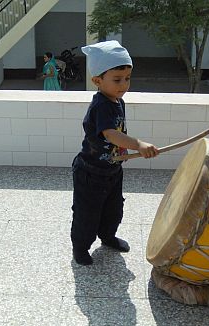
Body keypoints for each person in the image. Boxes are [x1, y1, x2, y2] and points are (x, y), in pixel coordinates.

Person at [70, 40, 159, 265]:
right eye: (117, 79)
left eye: (127, 78)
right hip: (90, 173)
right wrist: (138, 144)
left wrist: (123, 152)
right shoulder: (101, 105)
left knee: (113, 209)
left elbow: (117, 134)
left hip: (111, 170)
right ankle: (80, 247)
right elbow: (110, 134)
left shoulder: (117, 101)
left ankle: (107, 236)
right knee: (87, 214)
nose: (124, 84)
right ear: (97, 81)